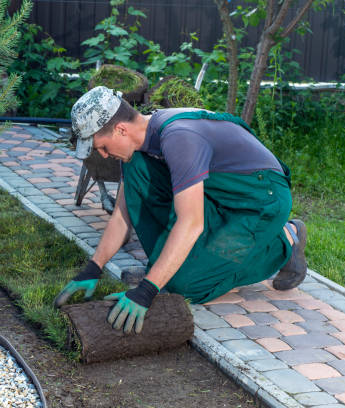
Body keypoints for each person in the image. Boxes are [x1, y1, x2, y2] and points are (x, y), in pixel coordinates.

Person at [54, 86, 307, 334]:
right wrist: (94, 267)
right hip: (219, 194)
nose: (104, 155)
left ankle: (285, 240)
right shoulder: (142, 144)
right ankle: (170, 264)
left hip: (259, 201)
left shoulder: (179, 137)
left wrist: (147, 289)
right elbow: (122, 215)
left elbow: (191, 223)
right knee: (137, 169)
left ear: (120, 129)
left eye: (102, 146)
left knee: (185, 285)